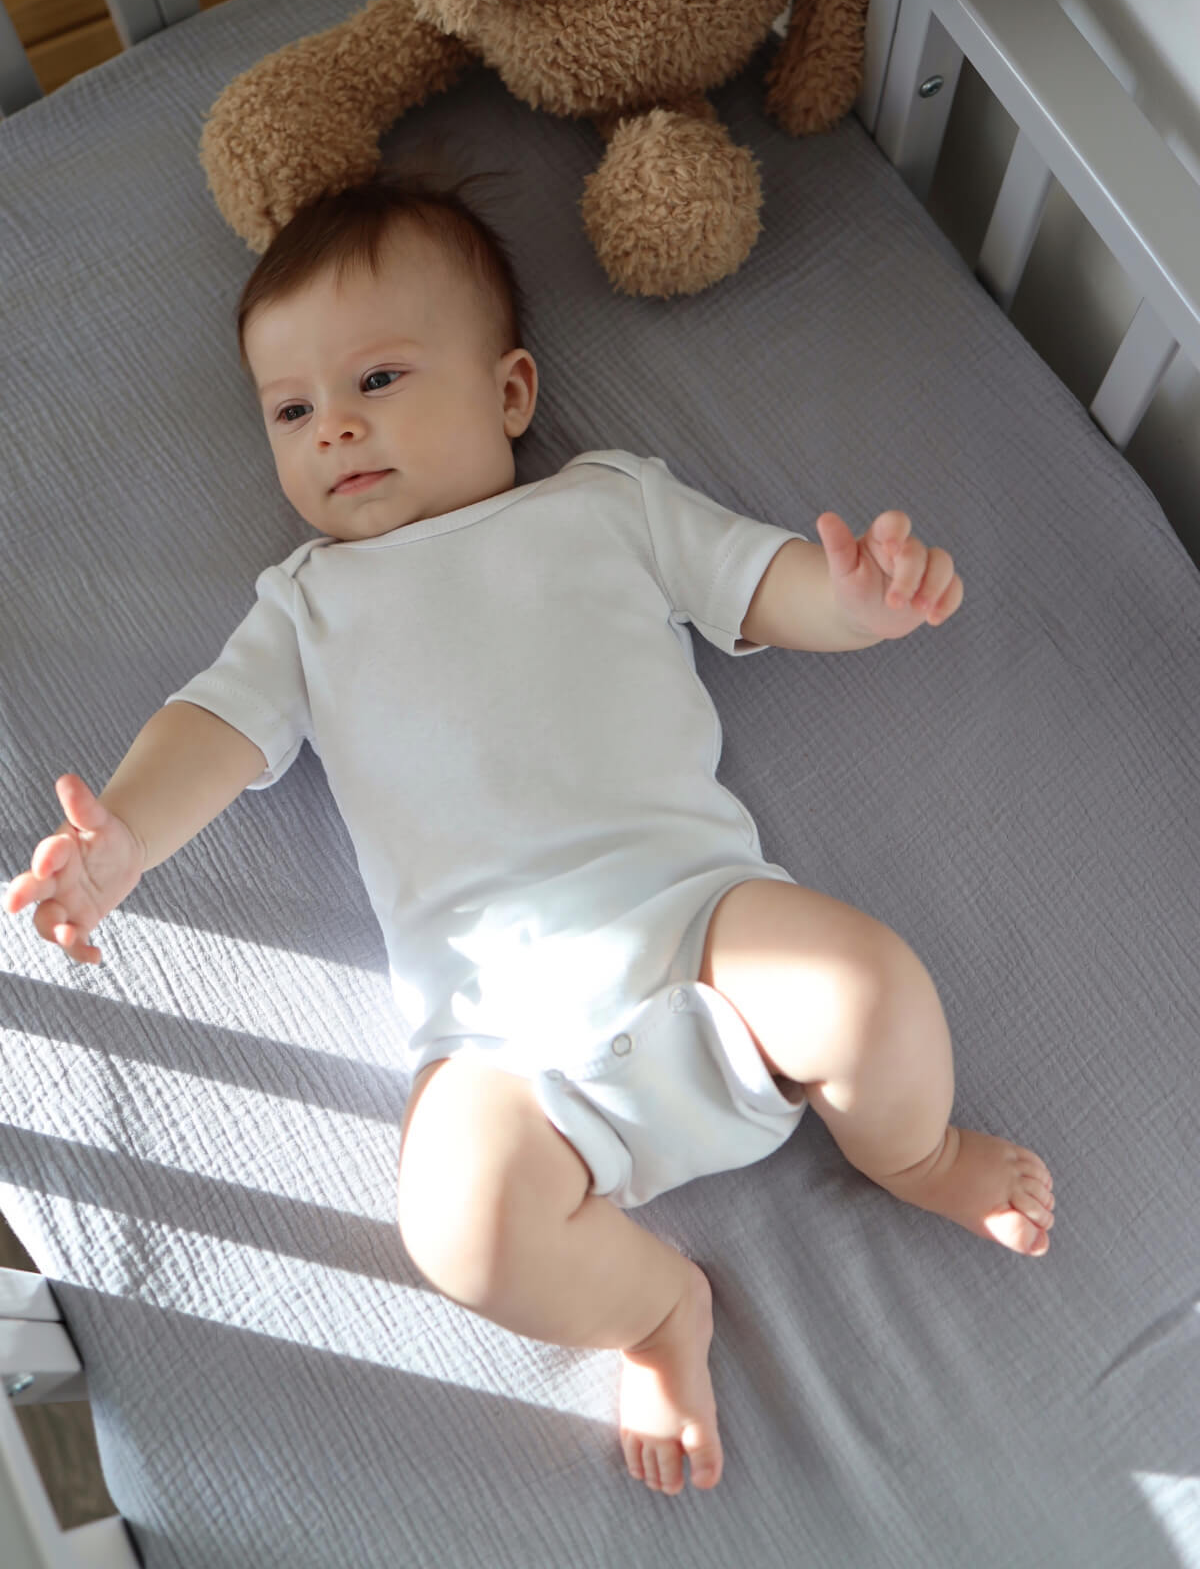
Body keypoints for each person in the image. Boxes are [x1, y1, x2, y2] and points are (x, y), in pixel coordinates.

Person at [4, 175, 1054, 1499]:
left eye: (376, 379)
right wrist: (127, 842)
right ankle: (655, 1310)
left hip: (700, 922)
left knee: (869, 986)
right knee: (459, 1229)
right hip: (498, 1037)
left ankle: (916, 1153)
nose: (334, 428)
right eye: (291, 411)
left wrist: (856, 601)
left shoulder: (609, 504)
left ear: (510, 393)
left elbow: (761, 583)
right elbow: (207, 730)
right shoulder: (307, 607)